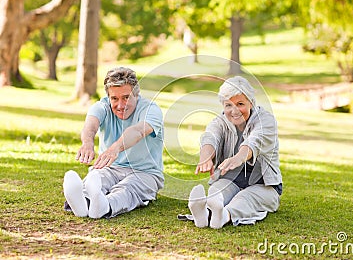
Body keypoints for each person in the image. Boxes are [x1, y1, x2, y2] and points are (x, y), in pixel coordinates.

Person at [63, 67, 164, 219]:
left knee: (127, 188)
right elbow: (90, 126)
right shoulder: (102, 106)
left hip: (145, 172)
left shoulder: (151, 110)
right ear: (108, 97)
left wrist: (115, 148)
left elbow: (138, 131)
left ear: (136, 94)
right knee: (98, 178)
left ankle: (104, 206)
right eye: (114, 99)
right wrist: (87, 143)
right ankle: (83, 203)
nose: (120, 105)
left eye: (126, 97)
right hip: (111, 168)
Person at [188, 76, 282, 228]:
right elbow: (210, 138)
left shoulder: (266, 121)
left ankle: (224, 216)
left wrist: (239, 158)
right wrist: (205, 158)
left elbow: (255, 141)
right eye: (228, 105)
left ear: (250, 102)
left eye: (240, 104)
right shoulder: (220, 121)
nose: (234, 111)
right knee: (218, 191)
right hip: (231, 180)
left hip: (264, 186)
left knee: (245, 198)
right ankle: (204, 214)